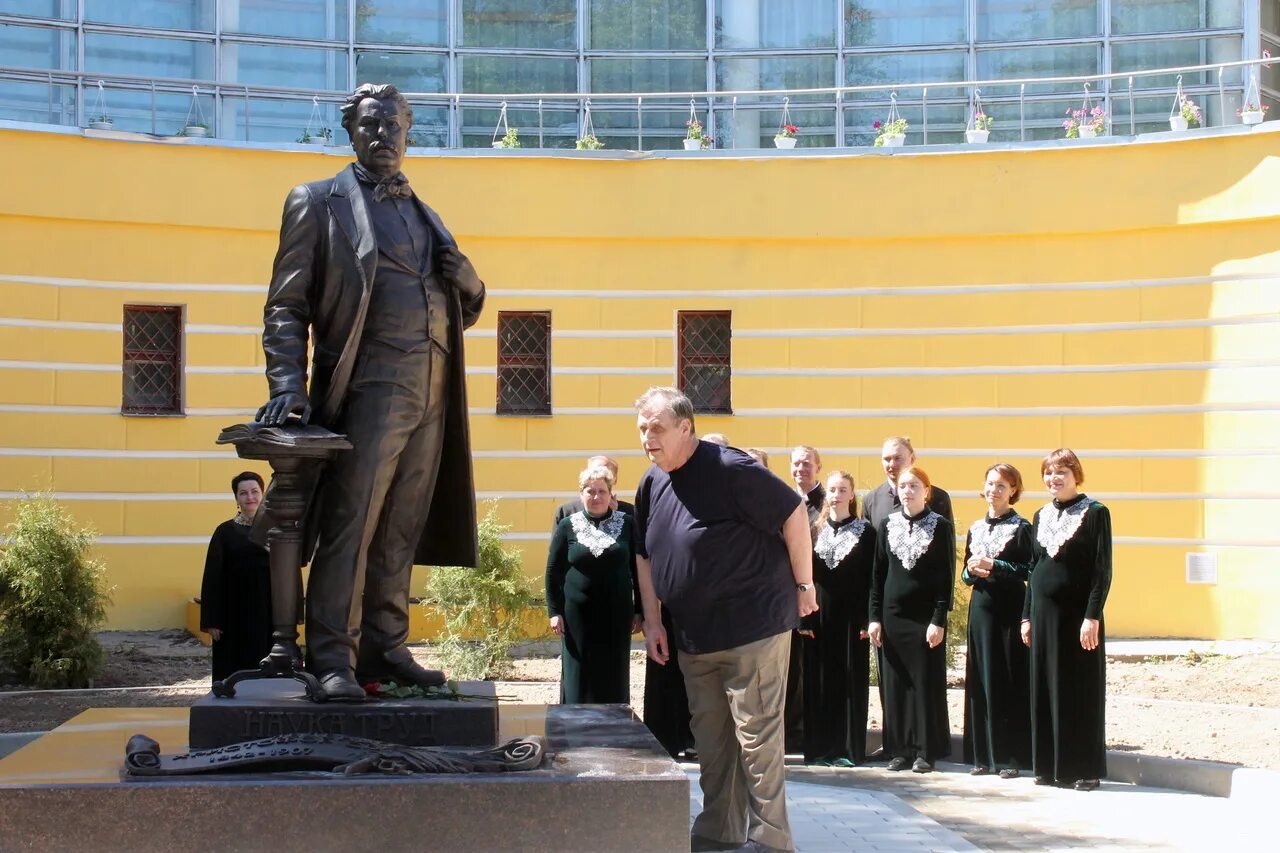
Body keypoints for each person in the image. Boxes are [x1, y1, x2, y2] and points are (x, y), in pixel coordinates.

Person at [255, 82, 486, 700]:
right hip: (369, 382)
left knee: (401, 526)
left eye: (395, 126)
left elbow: (457, 299)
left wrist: (471, 283)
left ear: (410, 133)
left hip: (434, 386)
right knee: (352, 523)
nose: (384, 136)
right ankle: (332, 655)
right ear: (350, 130)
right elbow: (286, 307)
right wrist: (289, 387)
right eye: (371, 124)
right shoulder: (318, 201)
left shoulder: (424, 210)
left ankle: (385, 644)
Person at [633, 387, 816, 853]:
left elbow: (793, 513)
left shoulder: (730, 467)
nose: (647, 438)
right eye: (642, 429)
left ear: (686, 428)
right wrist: (653, 620)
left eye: (657, 428)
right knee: (713, 744)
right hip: (695, 637)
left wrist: (804, 586)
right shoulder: (653, 482)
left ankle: (772, 840)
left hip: (753, 628)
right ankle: (719, 832)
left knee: (756, 740)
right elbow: (644, 555)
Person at [1022, 449, 1112, 791]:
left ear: (1076, 474)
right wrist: (1025, 616)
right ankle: (1048, 766)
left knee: (1079, 690)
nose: (1053, 479)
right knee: (1045, 687)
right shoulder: (1040, 514)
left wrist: (1092, 616)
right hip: (1043, 617)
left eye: (1061, 472)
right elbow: (1034, 569)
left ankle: (1084, 769)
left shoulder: (1095, 513)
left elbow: (1102, 571)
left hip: (1077, 618)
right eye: (1048, 473)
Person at [861, 436, 953, 761]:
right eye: (903, 486)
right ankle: (898, 749)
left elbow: (946, 578)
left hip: (924, 618)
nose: (908, 491)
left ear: (926, 491)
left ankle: (924, 751)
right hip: (892, 615)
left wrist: (939, 619)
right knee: (895, 684)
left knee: (923, 683)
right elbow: (876, 575)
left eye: (914, 486)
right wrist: (873, 617)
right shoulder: (886, 525)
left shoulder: (939, 526)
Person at [961, 463, 1034, 778]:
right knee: (981, 679)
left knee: (1007, 678)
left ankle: (1010, 758)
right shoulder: (975, 527)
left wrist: (997, 565)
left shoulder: (1022, 527)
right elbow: (964, 575)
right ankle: (984, 756)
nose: (994, 491)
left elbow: (1030, 570)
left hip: (1008, 610)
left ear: (1013, 490)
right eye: (990, 484)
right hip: (981, 610)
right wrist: (971, 571)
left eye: (1002, 485)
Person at [545, 464, 640, 704]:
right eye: (590, 491)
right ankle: (574, 728)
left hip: (617, 614)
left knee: (614, 672)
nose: (596, 496)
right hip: (577, 615)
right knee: (579, 672)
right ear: (581, 494)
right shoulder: (568, 525)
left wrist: (639, 610)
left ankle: (614, 728)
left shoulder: (628, 523)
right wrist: (554, 612)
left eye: (601, 491)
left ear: (611, 495)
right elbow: (553, 571)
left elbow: (638, 570)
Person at [801, 471, 875, 768]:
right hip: (819, 615)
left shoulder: (866, 532)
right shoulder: (813, 530)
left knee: (849, 679)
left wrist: (868, 619)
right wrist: (804, 620)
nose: (836, 495)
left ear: (852, 494)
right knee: (819, 680)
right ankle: (818, 748)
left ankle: (846, 749)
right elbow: (805, 576)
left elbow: (872, 578)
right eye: (832, 489)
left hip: (851, 617)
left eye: (842, 489)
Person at [200, 472, 273, 683]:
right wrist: (211, 620)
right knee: (233, 675)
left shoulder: (277, 530)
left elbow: (289, 572)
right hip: (232, 616)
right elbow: (212, 578)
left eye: (254, 491)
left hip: (268, 613)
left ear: (263, 494)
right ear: (237, 499)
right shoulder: (224, 532)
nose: (250, 497)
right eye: (243, 493)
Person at [785, 444, 825, 752]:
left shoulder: (828, 501)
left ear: (818, 467)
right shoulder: (784, 500)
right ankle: (791, 731)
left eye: (807, 463)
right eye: (796, 464)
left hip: (820, 597)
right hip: (787, 598)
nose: (801, 469)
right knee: (791, 669)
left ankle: (810, 731)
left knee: (815, 667)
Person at [553, 455, 635, 523]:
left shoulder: (630, 512)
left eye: (607, 473)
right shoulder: (566, 511)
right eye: (596, 471)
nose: (601, 476)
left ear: (615, 479)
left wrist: (615, 515)